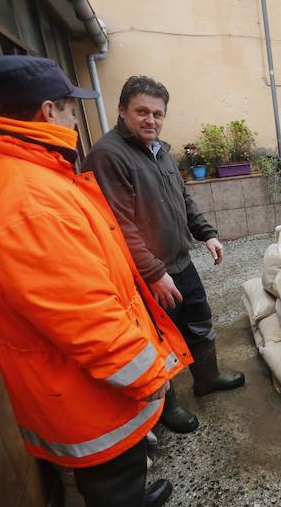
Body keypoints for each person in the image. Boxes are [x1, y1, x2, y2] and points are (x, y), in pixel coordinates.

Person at [0, 55, 192, 507]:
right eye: (69, 110)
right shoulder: (27, 198)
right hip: (85, 394)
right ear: (48, 111)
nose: (73, 119)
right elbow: (84, 315)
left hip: (77, 386)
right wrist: (151, 374)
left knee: (117, 477)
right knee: (113, 498)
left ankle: (129, 500)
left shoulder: (20, 174)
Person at [83, 76, 245, 434]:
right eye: (142, 111)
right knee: (160, 339)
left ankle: (207, 378)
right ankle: (168, 407)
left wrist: (207, 234)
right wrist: (153, 273)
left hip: (180, 262)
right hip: (146, 275)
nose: (150, 120)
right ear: (122, 111)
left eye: (157, 114)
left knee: (199, 319)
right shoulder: (108, 156)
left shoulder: (161, 151)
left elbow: (182, 199)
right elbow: (119, 224)